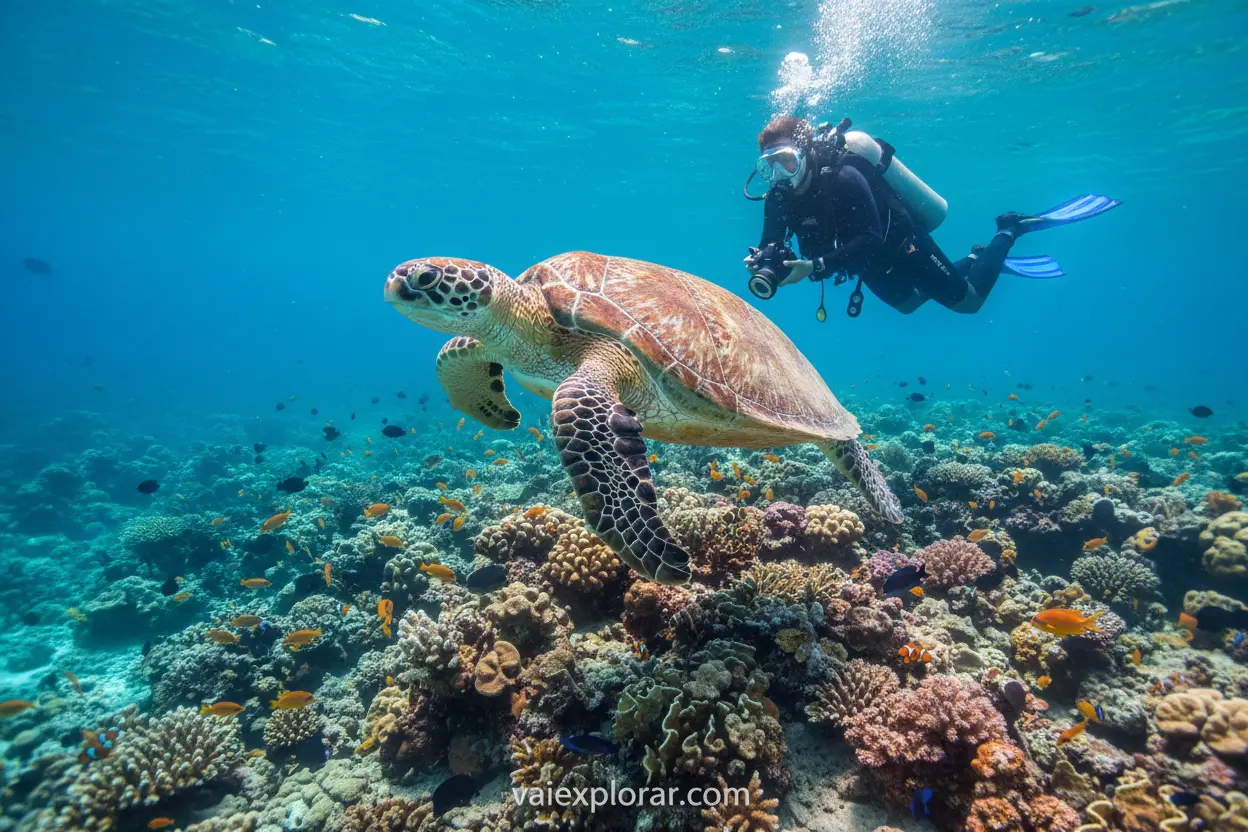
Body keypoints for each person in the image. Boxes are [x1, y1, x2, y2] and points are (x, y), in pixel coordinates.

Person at [744, 116, 1119, 315]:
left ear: (806, 153)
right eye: (769, 167)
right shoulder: (778, 197)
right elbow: (771, 242)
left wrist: (814, 266)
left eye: (786, 162)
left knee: (970, 303)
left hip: (902, 245)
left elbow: (871, 238)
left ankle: (1009, 230)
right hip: (862, 262)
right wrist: (762, 259)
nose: (780, 175)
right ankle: (973, 259)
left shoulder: (844, 176)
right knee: (909, 305)